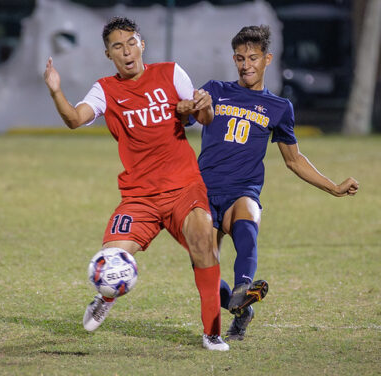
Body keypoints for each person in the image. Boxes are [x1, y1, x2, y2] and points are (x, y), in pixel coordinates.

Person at [43, 17, 229, 351]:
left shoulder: (171, 73)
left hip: (184, 188)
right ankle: (106, 297)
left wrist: (203, 106)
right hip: (139, 197)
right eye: (117, 46)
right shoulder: (105, 89)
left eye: (131, 42)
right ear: (108, 54)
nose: (126, 51)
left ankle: (212, 332)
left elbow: (203, 119)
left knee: (204, 243)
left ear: (142, 44)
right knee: (110, 258)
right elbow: (74, 119)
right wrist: (56, 91)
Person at [183, 25, 359, 341]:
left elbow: (294, 160)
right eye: (239, 58)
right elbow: (183, 118)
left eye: (252, 58)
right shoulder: (215, 89)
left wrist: (332, 187)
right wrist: (186, 108)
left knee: (248, 213)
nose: (245, 64)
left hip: (242, 189)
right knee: (204, 269)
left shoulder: (279, 108)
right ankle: (241, 306)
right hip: (203, 190)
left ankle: (244, 285)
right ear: (234, 59)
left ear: (267, 59)